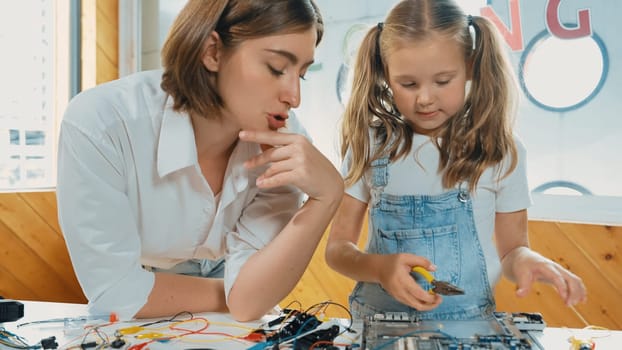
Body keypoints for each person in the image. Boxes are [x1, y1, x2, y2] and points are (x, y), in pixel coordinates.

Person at [56, 0, 343, 322]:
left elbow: (248, 304)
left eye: (301, 75)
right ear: (212, 52)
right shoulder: (102, 122)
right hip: (147, 280)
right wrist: (238, 293)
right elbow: (116, 294)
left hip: (221, 277)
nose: (294, 97)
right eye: (277, 68)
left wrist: (328, 196)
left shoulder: (286, 147)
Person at [325, 0, 586, 320]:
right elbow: (337, 250)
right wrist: (379, 268)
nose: (424, 98)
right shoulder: (370, 145)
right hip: (379, 324)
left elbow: (511, 251)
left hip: (468, 326)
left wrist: (526, 261)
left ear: (470, 67)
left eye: (443, 80)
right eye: (408, 84)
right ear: (385, 74)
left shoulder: (500, 152)